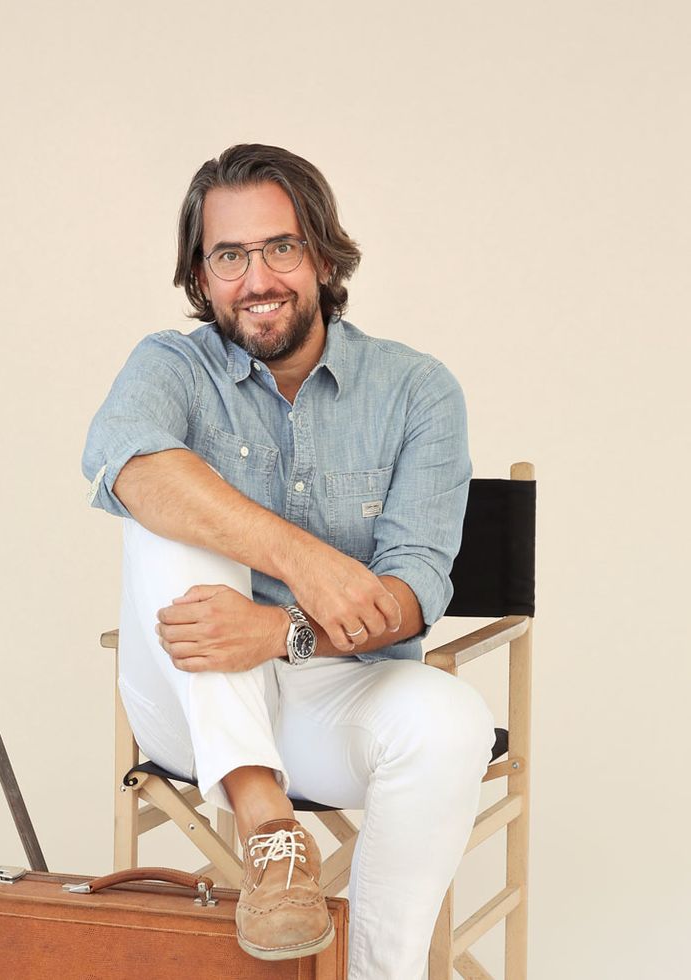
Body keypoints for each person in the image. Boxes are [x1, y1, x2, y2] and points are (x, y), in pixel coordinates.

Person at [81, 144, 495, 979]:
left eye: (282, 247)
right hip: (189, 696)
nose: (258, 278)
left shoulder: (418, 389)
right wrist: (308, 562)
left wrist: (280, 630)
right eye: (229, 255)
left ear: (325, 256)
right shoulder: (170, 365)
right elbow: (123, 461)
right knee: (164, 497)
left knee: (454, 717)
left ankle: (384, 972)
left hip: (337, 690)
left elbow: (412, 591)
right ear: (200, 277)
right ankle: (269, 826)